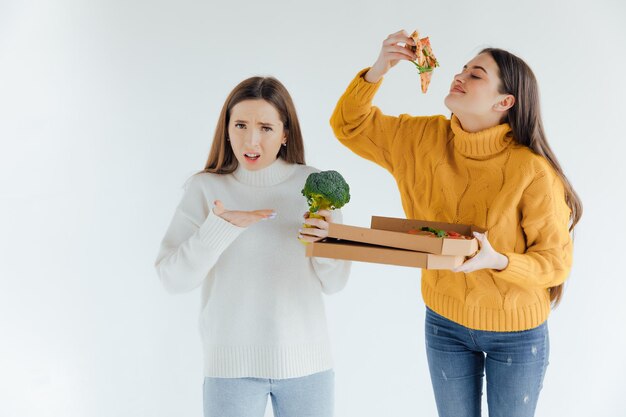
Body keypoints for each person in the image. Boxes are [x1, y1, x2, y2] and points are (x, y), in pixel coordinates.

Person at [330, 29, 582, 417]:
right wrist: (380, 69)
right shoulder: (420, 139)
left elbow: (555, 264)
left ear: (505, 101)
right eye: (463, 68)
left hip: (516, 332)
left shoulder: (533, 172)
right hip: (444, 321)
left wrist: (498, 261)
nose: (459, 75)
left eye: (476, 74)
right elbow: (349, 126)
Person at [155, 76, 350, 417]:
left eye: (265, 127)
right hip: (230, 368)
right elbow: (172, 279)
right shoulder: (204, 189)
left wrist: (328, 243)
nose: (251, 139)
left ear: (285, 133)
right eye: (241, 125)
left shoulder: (314, 186)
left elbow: (335, 284)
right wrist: (219, 228)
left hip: (308, 365)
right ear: (226, 128)